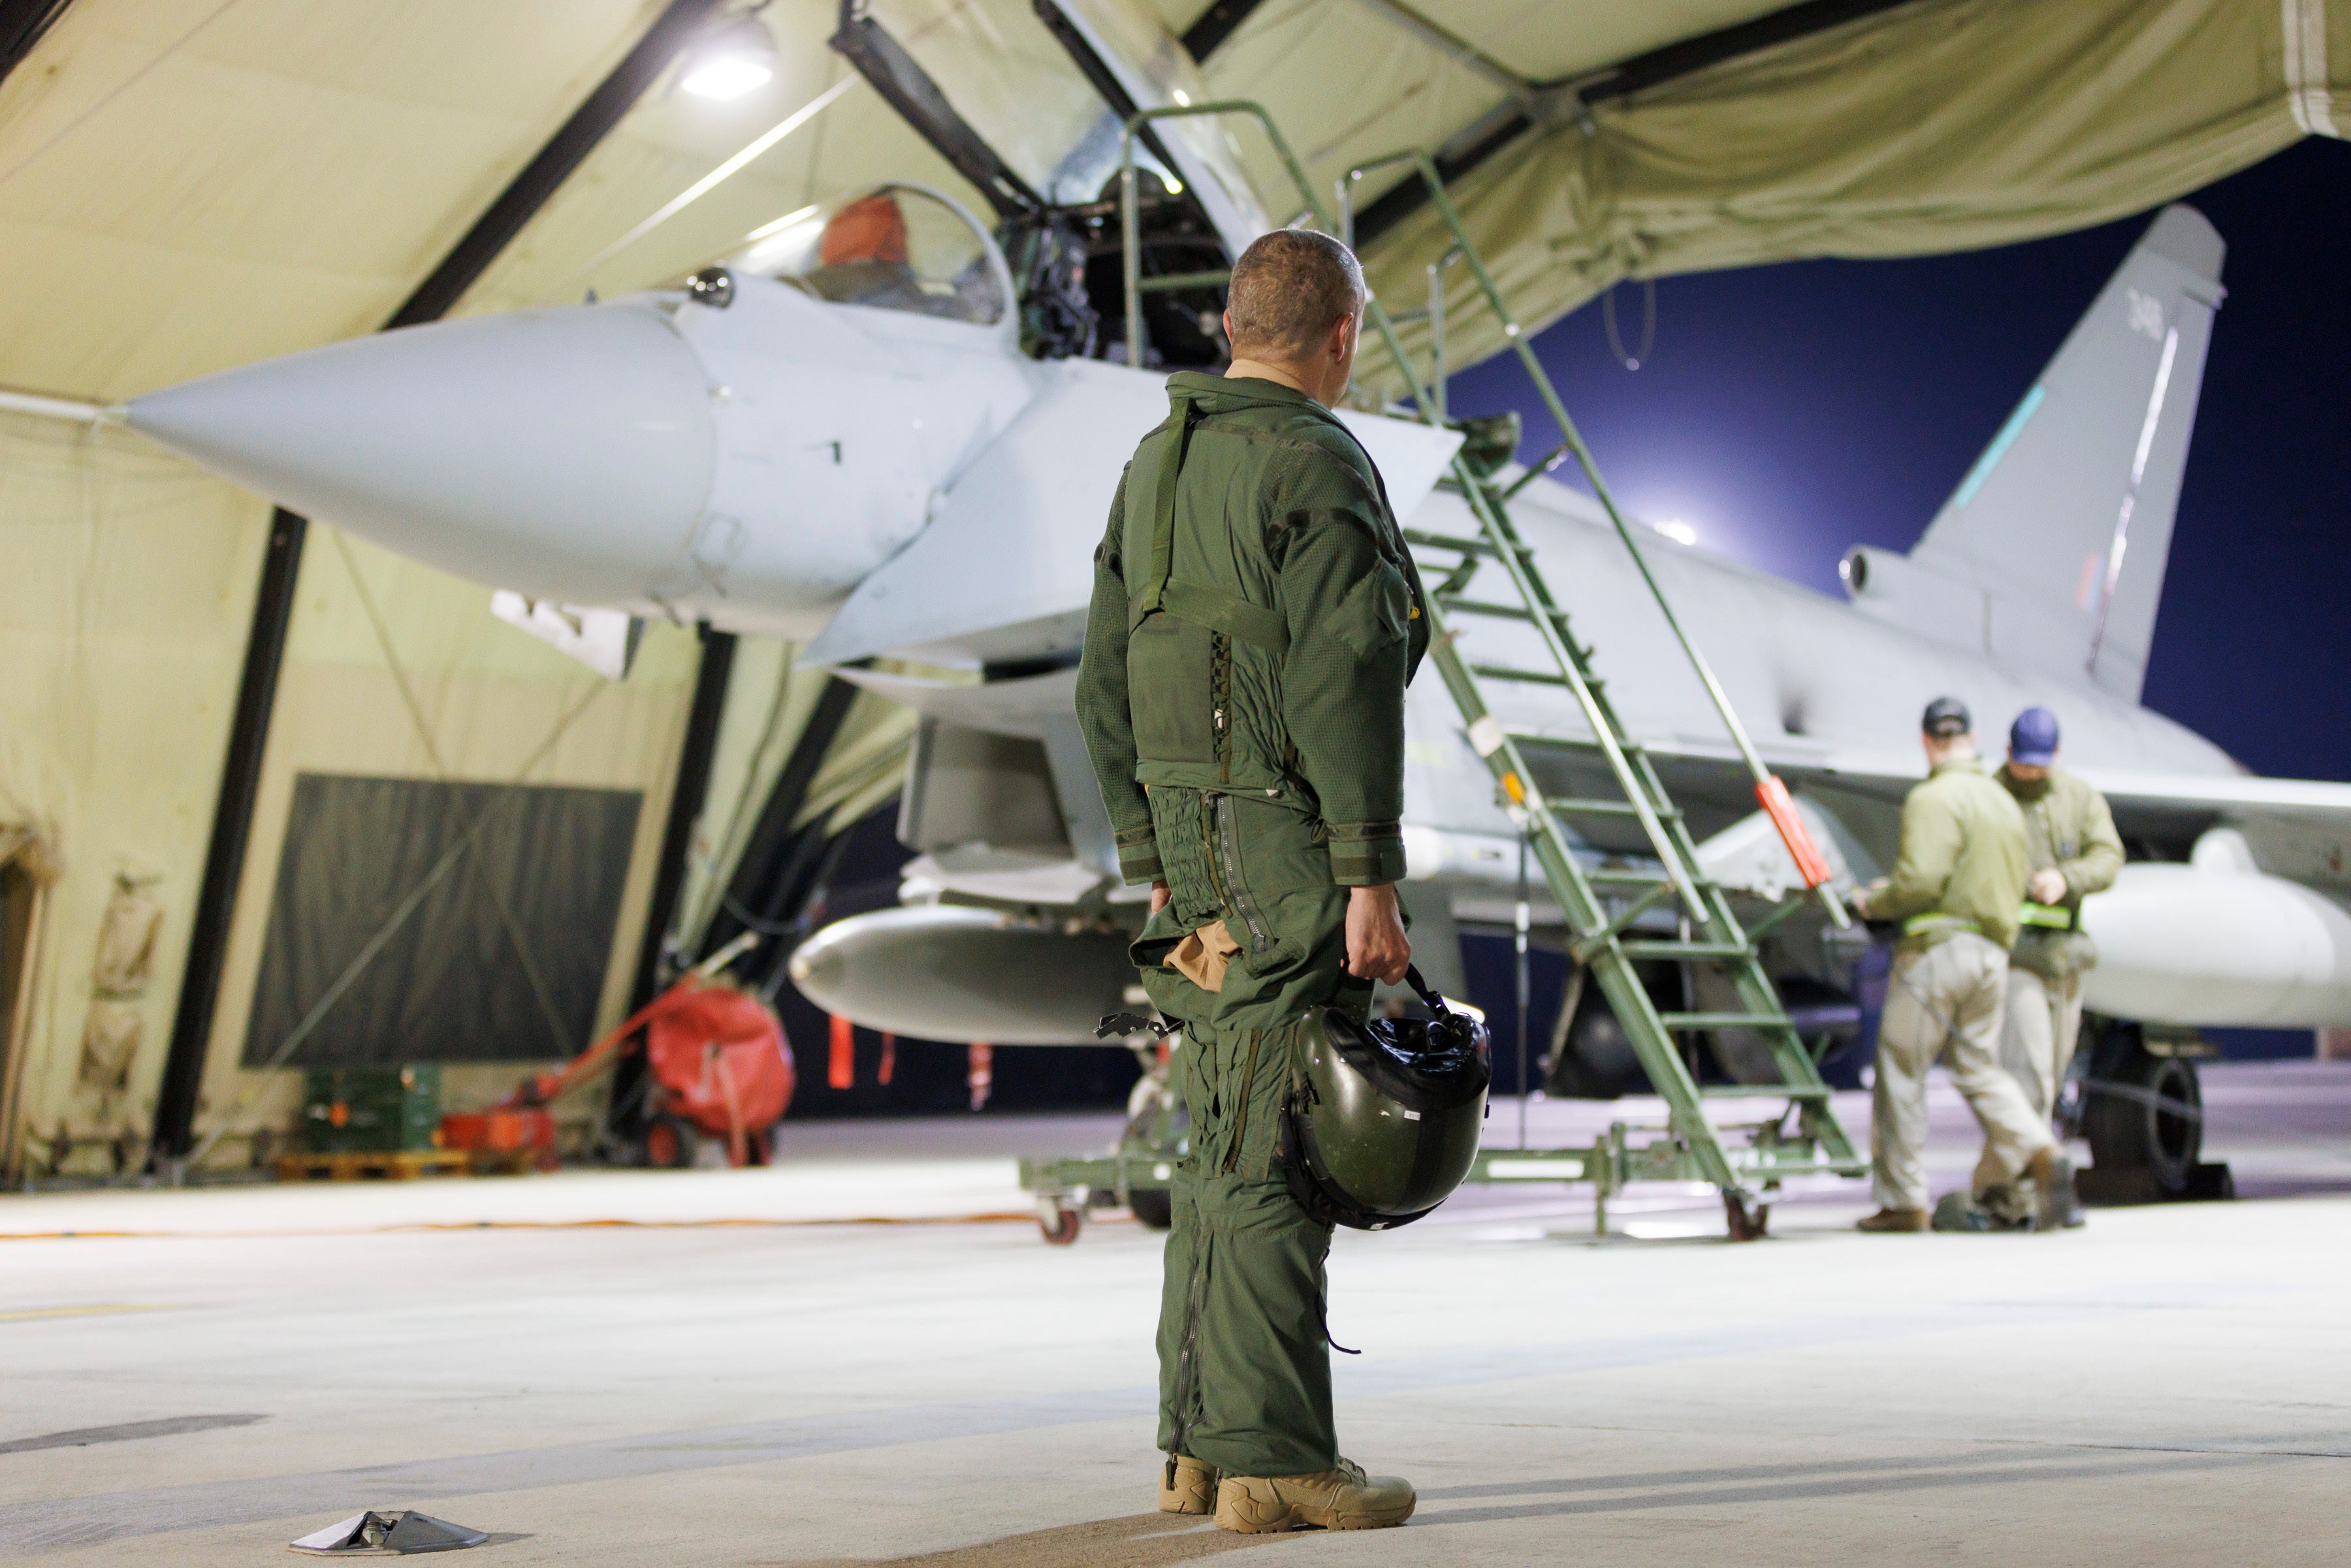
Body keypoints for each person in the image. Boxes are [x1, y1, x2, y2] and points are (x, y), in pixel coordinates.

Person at [1074, 228, 1426, 1533]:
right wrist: (1367, 872)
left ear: (1230, 329)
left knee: (1216, 1138)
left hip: (1191, 873)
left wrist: (1152, 859)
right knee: (1278, 1146)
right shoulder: (1319, 462)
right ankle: (1275, 1459)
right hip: (1288, 853)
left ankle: (1194, 1448)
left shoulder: (1153, 465)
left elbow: (1100, 678)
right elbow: (1349, 675)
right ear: (1340, 337)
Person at [1849, 697, 2083, 1233]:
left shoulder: (1933, 797)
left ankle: (1903, 1201)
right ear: (1974, 738)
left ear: (1927, 739)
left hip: (1939, 951)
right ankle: (2041, 1148)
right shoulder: (2001, 801)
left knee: (1901, 1069)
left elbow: (1923, 881)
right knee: (1980, 1068)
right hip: (1992, 956)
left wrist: (1876, 902)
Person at [1975, 707, 2123, 1205]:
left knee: (2052, 1075)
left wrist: (2067, 878)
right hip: (2015, 958)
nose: (2032, 773)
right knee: (2029, 1076)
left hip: (2064, 958)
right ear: (2008, 753)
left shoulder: (2078, 797)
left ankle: (2008, 1186)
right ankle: (2014, 1188)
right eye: (2024, 762)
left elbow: (2108, 857)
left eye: (2042, 764)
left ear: (2057, 756)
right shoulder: (1989, 796)